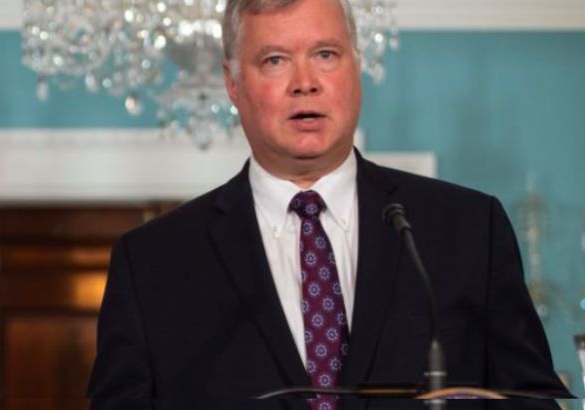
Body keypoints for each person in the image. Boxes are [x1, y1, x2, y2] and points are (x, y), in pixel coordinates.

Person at [87, 0, 571, 408]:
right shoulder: (152, 263)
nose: (305, 82)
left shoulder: (468, 229)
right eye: (275, 60)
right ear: (233, 83)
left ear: (355, 67)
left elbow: (529, 400)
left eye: (325, 54)